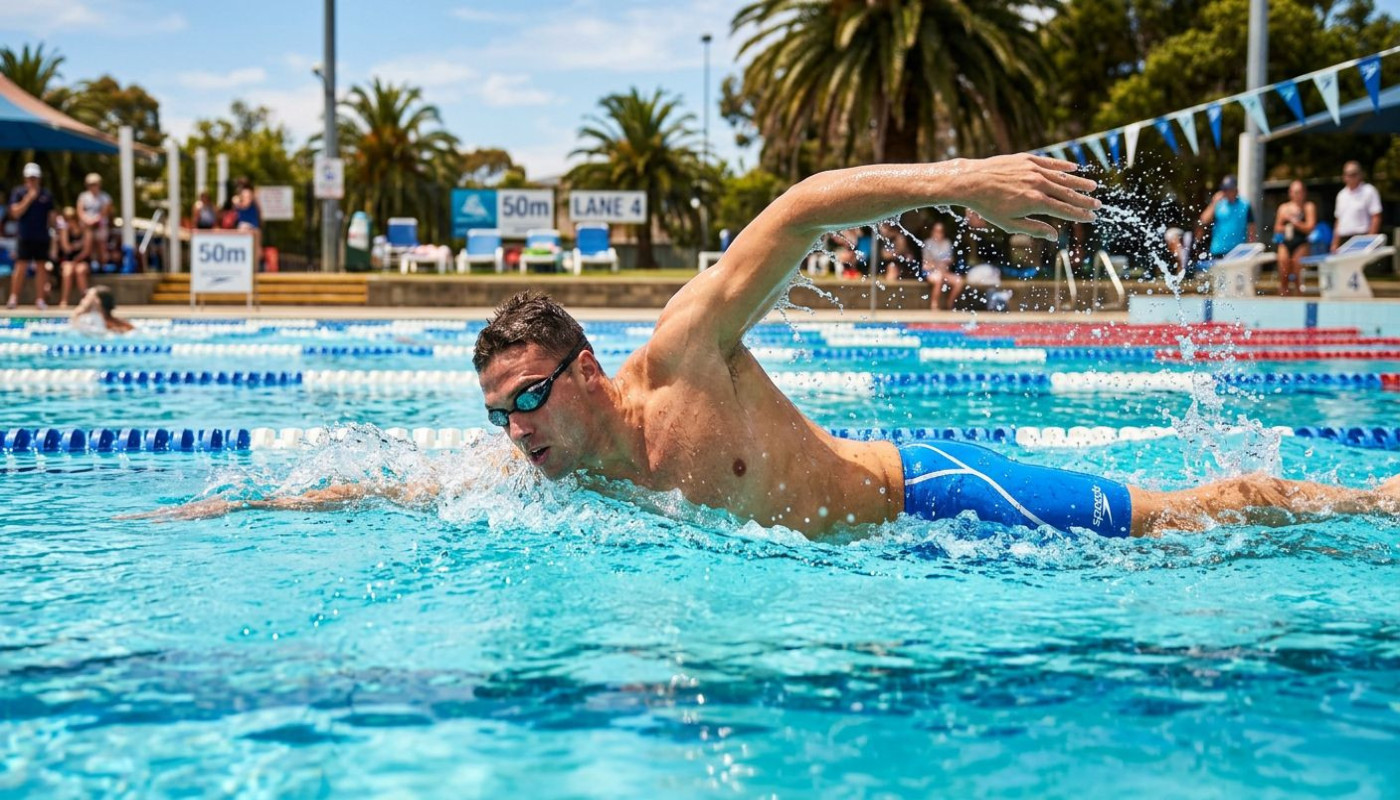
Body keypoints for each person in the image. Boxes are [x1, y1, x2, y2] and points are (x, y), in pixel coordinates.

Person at [131, 155, 1400, 538]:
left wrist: (968, 186)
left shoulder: (683, 352)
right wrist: (241, 505)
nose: (514, 432)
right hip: (893, 568)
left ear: (583, 369)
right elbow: (398, 489)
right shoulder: (543, 475)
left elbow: (796, 208)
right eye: (498, 414)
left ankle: (1364, 498)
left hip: (930, 497)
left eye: (526, 399)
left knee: (1191, 519)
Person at [7, 162, 57, 310]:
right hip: (25, 236)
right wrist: (29, 198)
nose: (32, 181)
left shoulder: (46, 195)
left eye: (34, 178)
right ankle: (13, 297)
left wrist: (55, 231)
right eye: (30, 178)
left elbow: (52, 216)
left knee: (41, 267)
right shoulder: (18, 193)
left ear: (39, 178)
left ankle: (40, 299)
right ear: (25, 178)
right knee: (20, 266)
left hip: (42, 237)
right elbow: (15, 213)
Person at [1273, 180, 1316, 296]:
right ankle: (1284, 297)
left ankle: (1298, 296)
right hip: (1286, 241)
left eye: (1299, 192)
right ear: (1290, 193)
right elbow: (1277, 228)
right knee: (1283, 271)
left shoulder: (1308, 207)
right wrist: (1288, 227)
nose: (1297, 195)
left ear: (1304, 193)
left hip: (1301, 242)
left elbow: (1310, 227)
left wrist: (1295, 223)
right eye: (1295, 192)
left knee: (1297, 271)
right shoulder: (1284, 208)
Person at [1197, 175, 1256, 261]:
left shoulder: (1245, 205)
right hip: (1218, 250)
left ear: (1236, 190)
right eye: (1224, 190)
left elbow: (1251, 229)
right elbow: (1204, 220)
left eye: (1229, 190)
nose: (1226, 192)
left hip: (1237, 251)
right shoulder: (1218, 204)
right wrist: (1213, 203)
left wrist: (1251, 249)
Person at [1331, 161, 1382, 251]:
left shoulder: (1369, 191)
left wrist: (1369, 241)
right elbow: (1338, 220)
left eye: (1353, 174)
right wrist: (1334, 243)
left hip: (1362, 238)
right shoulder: (1341, 195)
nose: (1350, 177)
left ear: (1360, 175)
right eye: (1348, 174)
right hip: (1344, 239)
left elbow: (1376, 216)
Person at [921, 221, 964, 310]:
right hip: (931, 272)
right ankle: (934, 304)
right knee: (938, 278)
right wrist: (938, 264)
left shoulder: (947, 243)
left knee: (959, 281)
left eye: (940, 231)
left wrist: (941, 264)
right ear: (932, 231)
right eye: (936, 231)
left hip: (944, 272)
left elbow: (950, 260)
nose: (938, 233)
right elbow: (926, 262)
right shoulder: (928, 243)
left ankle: (949, 304)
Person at [55, 206, 92, 307]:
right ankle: (64, 300)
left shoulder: (85, 231)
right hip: (69, 260)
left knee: (80, 271)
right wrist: (78, 244)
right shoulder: (65, 231)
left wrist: (77, 258)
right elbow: (66, 248)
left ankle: (85, 300)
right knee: (68, 271)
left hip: (82, 260)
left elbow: (86, 251)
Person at [76, 173, 112, 266]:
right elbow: (80, 211)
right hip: (86, 226)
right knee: (87, 248)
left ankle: (103, 267)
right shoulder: (83, 196)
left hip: (100, 225)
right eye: (91, 184)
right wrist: (87, 220)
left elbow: (105, 212)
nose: (93, 186)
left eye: (95, 184)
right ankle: (79, 263)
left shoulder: (105, 197)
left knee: (101, 246)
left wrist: (95, 220)